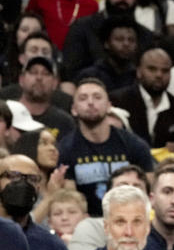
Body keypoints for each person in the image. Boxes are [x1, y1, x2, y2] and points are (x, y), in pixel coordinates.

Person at [59, 78, 155, 216]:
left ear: (109, 105)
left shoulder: (135, 145)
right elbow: (71, 202)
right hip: (87, 222)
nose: (90, 102)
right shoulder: (65, 149)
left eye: (97, 97)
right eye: (83, 98)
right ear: (73, 109)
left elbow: (148, 191)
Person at [108, 48, 174, 149]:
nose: (159, 75)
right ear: (139, 72)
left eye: (165, 71)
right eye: (152, 69)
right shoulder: (118, 100)